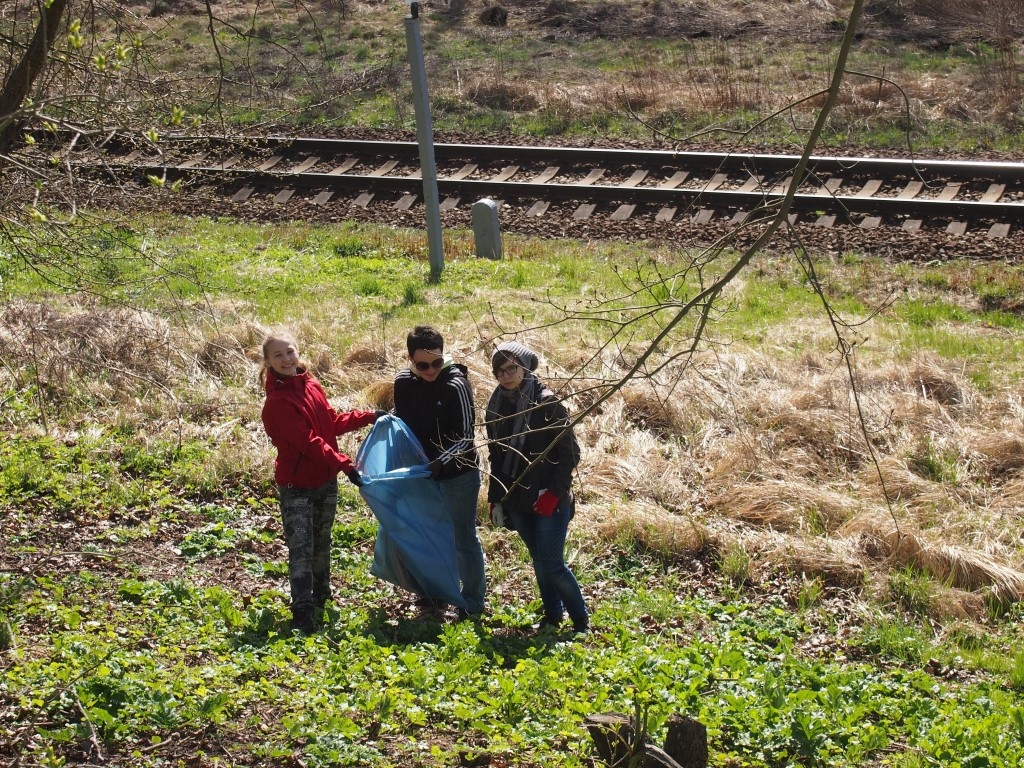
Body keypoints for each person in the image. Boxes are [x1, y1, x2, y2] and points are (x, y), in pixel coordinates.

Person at [260, 330, 384, 634]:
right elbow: (309, 442)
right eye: (278, 355)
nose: (286, 359)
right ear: (268, 362)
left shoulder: (311, 384)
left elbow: (329, 423)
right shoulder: (277, 403)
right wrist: (345, 464)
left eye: (289, 352)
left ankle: (322, 596)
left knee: (322, 541)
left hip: (324, 480)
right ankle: (302, 610)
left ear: (298, 352)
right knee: (301, 547)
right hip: (296, 486)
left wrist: (369, 417)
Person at [484, 341, 589, 634]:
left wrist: (555, 493)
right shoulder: (495, 407)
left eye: (511, 368)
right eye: (499, 371)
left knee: (552, 563)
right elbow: (496, 455)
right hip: (517, 498)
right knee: (539, 562)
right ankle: (553, 617)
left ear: (525, 366)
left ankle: (580, 619)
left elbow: (570, 454)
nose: (505, 376)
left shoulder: (547, 403)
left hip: (548, 498)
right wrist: (496, 499)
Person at [393, 325, 486, 618]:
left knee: (463, 539)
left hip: (458, 475)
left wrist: (440, 462)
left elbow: (465, 436)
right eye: (422, 365)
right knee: (427, 535)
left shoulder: (455, 384)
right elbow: (402, 425)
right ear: (410, 359)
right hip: (422, 474)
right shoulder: (403, 383)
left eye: (436, 362)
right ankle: (431, 593)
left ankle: (471, 602)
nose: (431, 370)